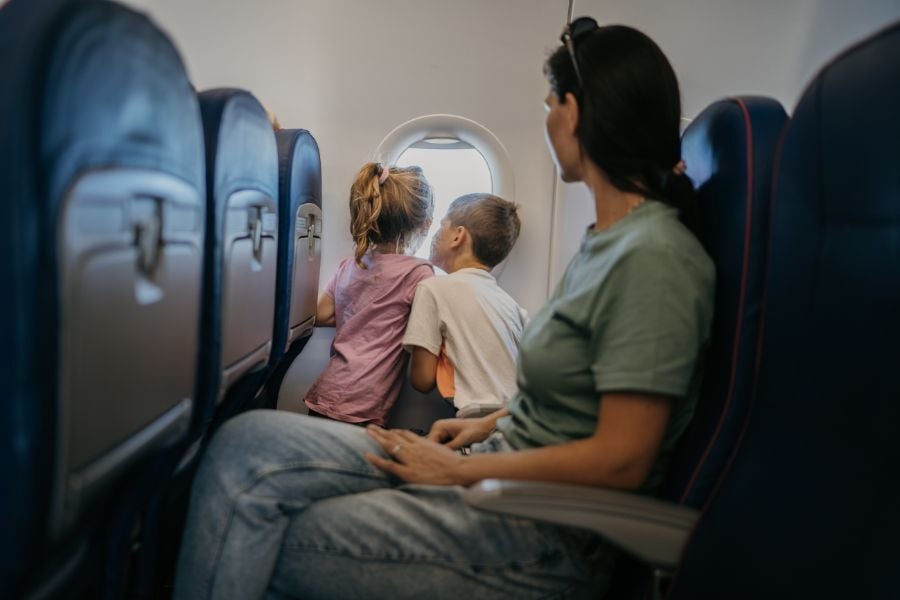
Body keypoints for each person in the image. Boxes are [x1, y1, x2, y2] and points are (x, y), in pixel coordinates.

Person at [174, 20, 715, 600]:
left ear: (576, 113)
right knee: (245, 443)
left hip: (537, 533)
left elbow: (622, 460)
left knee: (265, 528)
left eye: (551, 102)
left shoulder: (653, 258)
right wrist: (481, 428)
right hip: (492, 460)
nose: (547, 115)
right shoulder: (606, 244)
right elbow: (563, 409)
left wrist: (460, 471)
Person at [303, 163, 434, 426]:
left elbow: (321, 314)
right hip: (362, 404)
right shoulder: (419, 274)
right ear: (424, 224)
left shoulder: (351, 264)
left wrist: (361, 315)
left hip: (328, 391)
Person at [404, 193, 527, 414]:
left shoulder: (433, 289)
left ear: (458, 236)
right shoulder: (512, 306)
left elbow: (422, 380)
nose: (436, 233)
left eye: (442, 226)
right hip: (515, 418)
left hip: (473, 420)